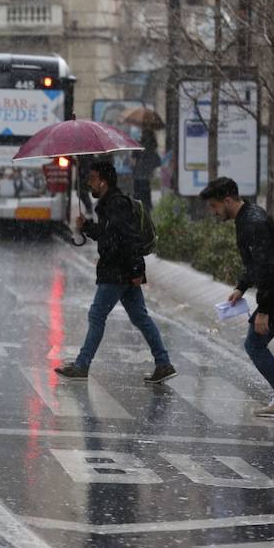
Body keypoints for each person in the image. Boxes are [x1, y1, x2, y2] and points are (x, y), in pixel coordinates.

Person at [199, 177, 274, 418]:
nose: (213, 212)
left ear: (228, 200)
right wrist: (241, 287)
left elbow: (268, 268)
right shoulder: (248, 217)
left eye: (214, 206)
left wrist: (264, 310)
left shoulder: (252, 223)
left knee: (254, 344)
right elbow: (257, 264)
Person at [55, 160, 177, 383]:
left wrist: (136, 269)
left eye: (92, 178)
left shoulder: (115, 204)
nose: (88, 183)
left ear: (103, 181)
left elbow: (126, 238)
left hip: (118, 270)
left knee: (97, 315)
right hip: (123, 269)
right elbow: (109, 234)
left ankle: (82, 365)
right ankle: (163, 363)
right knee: (140, 317)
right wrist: (88, 227)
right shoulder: (109, 203)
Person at [132, 129, 160, 213]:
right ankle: (146, 210)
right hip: (146, 173)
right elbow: (156, 161)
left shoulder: (138, 144)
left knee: (137, 194)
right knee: (146, 193)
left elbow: (133, 161)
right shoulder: (153, 144)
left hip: (138, 173)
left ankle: (137, 209)